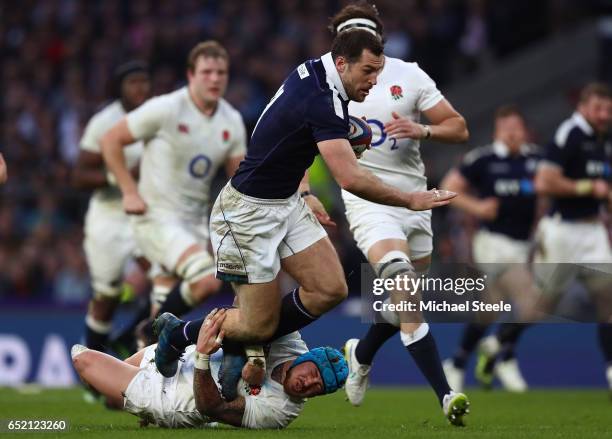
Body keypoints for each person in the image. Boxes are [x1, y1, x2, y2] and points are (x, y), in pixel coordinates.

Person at [153, 26, 456, 381]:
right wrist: (410, 199)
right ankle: (178, 334)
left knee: (331, 289)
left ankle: (248, 341)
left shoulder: (318, 72)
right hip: (245, 214)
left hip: (286, 201)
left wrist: (308, 189)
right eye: (368, 71)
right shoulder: (322, 99)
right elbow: (350, 178)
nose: (374, 80)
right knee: (256, 324)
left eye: (378, 71)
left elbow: (293, 137)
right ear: (343, 62)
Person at [324, 3, 469, 426]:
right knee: (404, 286)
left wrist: (424, 129)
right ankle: (446, 396)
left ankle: (361, 353)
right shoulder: (327, 84)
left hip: (416, 200)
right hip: (369, 202)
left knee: (404, 299)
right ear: (341, 50)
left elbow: (459, 128)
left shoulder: (410, 74)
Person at [101, 41, 246, 324]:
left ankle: (141, 342)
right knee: (207, 280)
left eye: (221, 72)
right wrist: (129, 191)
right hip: (155, 217)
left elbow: (238, 179)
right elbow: (111, 140)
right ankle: (147, 333)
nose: (215, 79)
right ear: (191, 75)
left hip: (194, 224)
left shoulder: (232, 121)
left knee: (162, 304)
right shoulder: (166, 108)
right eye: (207, 72)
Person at [71, 308, 348, 429]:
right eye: (312, 374)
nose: (308, 385)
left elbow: (211, 408)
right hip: (183, 357)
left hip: (172, 398)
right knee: (246, 317)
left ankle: (184, 336)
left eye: (317, 389)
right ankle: (221, 350)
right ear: (307, 357)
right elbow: (250, 307)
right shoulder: (292, 342)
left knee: (81, 358)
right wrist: (257, 358)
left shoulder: (281, 411)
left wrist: (204, 355)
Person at [440, 105, 542, 393]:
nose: (511, 134)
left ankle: (462, 362)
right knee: (534, 302)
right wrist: (478, 207)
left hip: (525, 243)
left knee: (489, 308)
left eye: (516, 129)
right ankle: (500, 350)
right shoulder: (482, 159)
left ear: (524, 131)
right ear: (497, 131)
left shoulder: (536, 158)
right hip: (493, 243)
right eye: (506, 129)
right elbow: (449, 187)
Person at [532, 82, 612, 392]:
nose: (604, 115)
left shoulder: (599, 139)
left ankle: (610, 370)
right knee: (542, 303)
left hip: (592, 231)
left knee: (608, 301)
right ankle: (501, 343)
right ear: (583, 107)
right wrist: (586, 188)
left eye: (608, 110)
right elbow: (543, 182)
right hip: (562, 229)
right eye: (599, 108)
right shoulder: (570, 133)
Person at [73, 60, 151, 355]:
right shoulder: (104, 122)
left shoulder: (158, 116)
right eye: (133, 83)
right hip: (109, 215)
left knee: (169, 279)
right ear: (119, 89)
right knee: (107, 296)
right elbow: (78, 176)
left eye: (144, 82)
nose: (140, 88)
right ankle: (92, 360)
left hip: (147, 214)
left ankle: (130, 337)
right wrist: (121, 176)